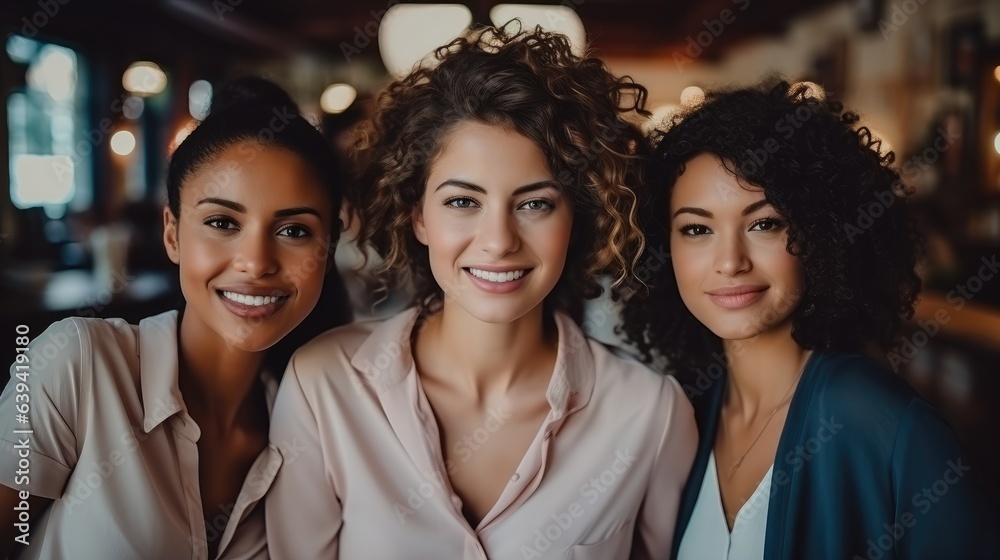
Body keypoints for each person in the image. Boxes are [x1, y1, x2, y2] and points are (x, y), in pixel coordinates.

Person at [265, 23, 697, 560]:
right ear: (417, 215)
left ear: (576, 219)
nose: (498, 242)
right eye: (463, 202)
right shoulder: (323, 384)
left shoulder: (650, 415)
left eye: (535, 203)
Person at [619, 80, 995, 560]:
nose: (730, 261)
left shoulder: (887, 425)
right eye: (696, 229)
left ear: (823, 234)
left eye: (765, 223)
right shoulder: (685, 414)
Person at [0, 76, 351, 559]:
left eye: (294, 230)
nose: (255, 262)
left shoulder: (316, 428)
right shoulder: (79, 363)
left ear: (328, 249)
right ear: (172, 234)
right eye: (222, 223)